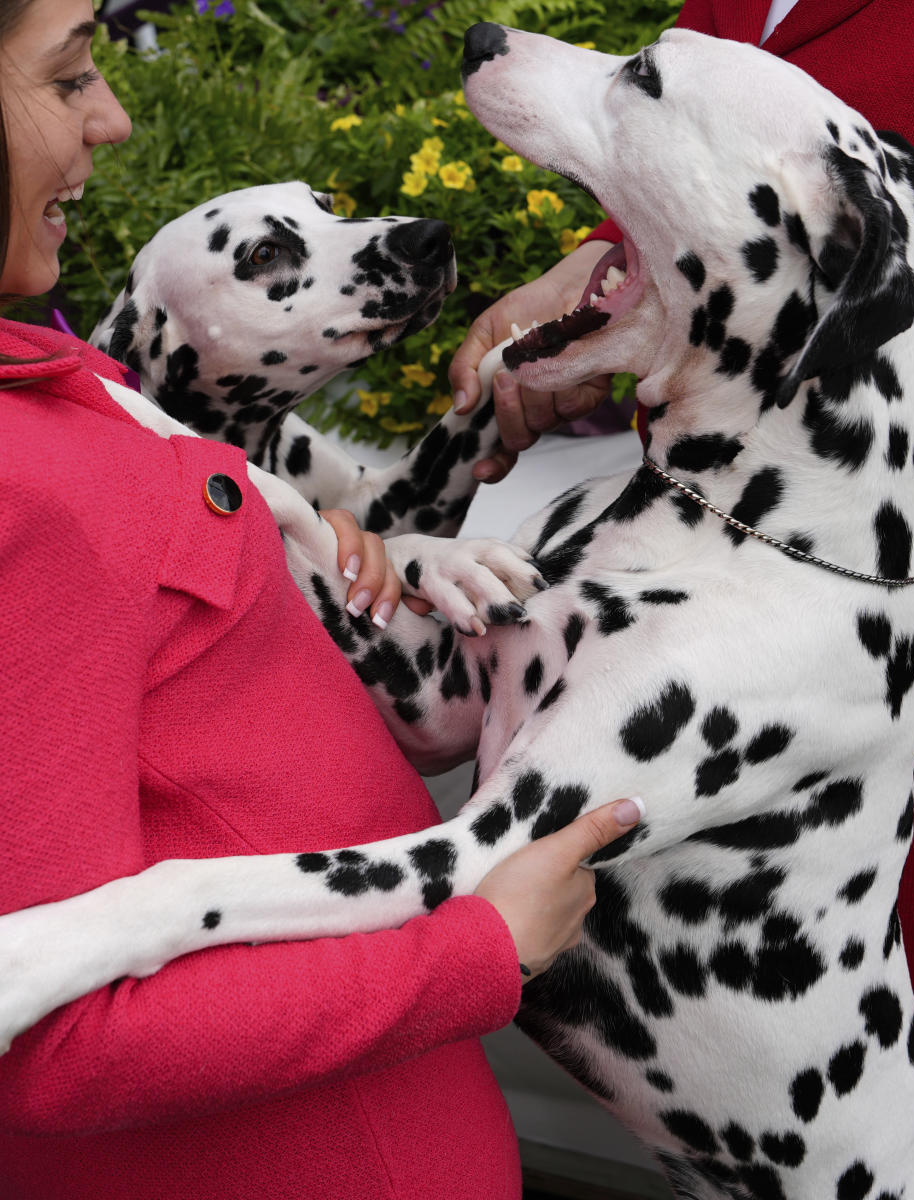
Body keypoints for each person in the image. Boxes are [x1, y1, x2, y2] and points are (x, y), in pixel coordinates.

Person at [0, 3, 646, 1198]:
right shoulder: (25, 485)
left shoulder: (61, 383)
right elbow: (50, 1040)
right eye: (71, 73)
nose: (115, 115)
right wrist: (479, 950)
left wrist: (326, 541)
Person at [449, 0, 914, 1186]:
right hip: (698, 623)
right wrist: (602, 291)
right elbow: (705, 195)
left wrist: (770, 360)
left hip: (892, 694)